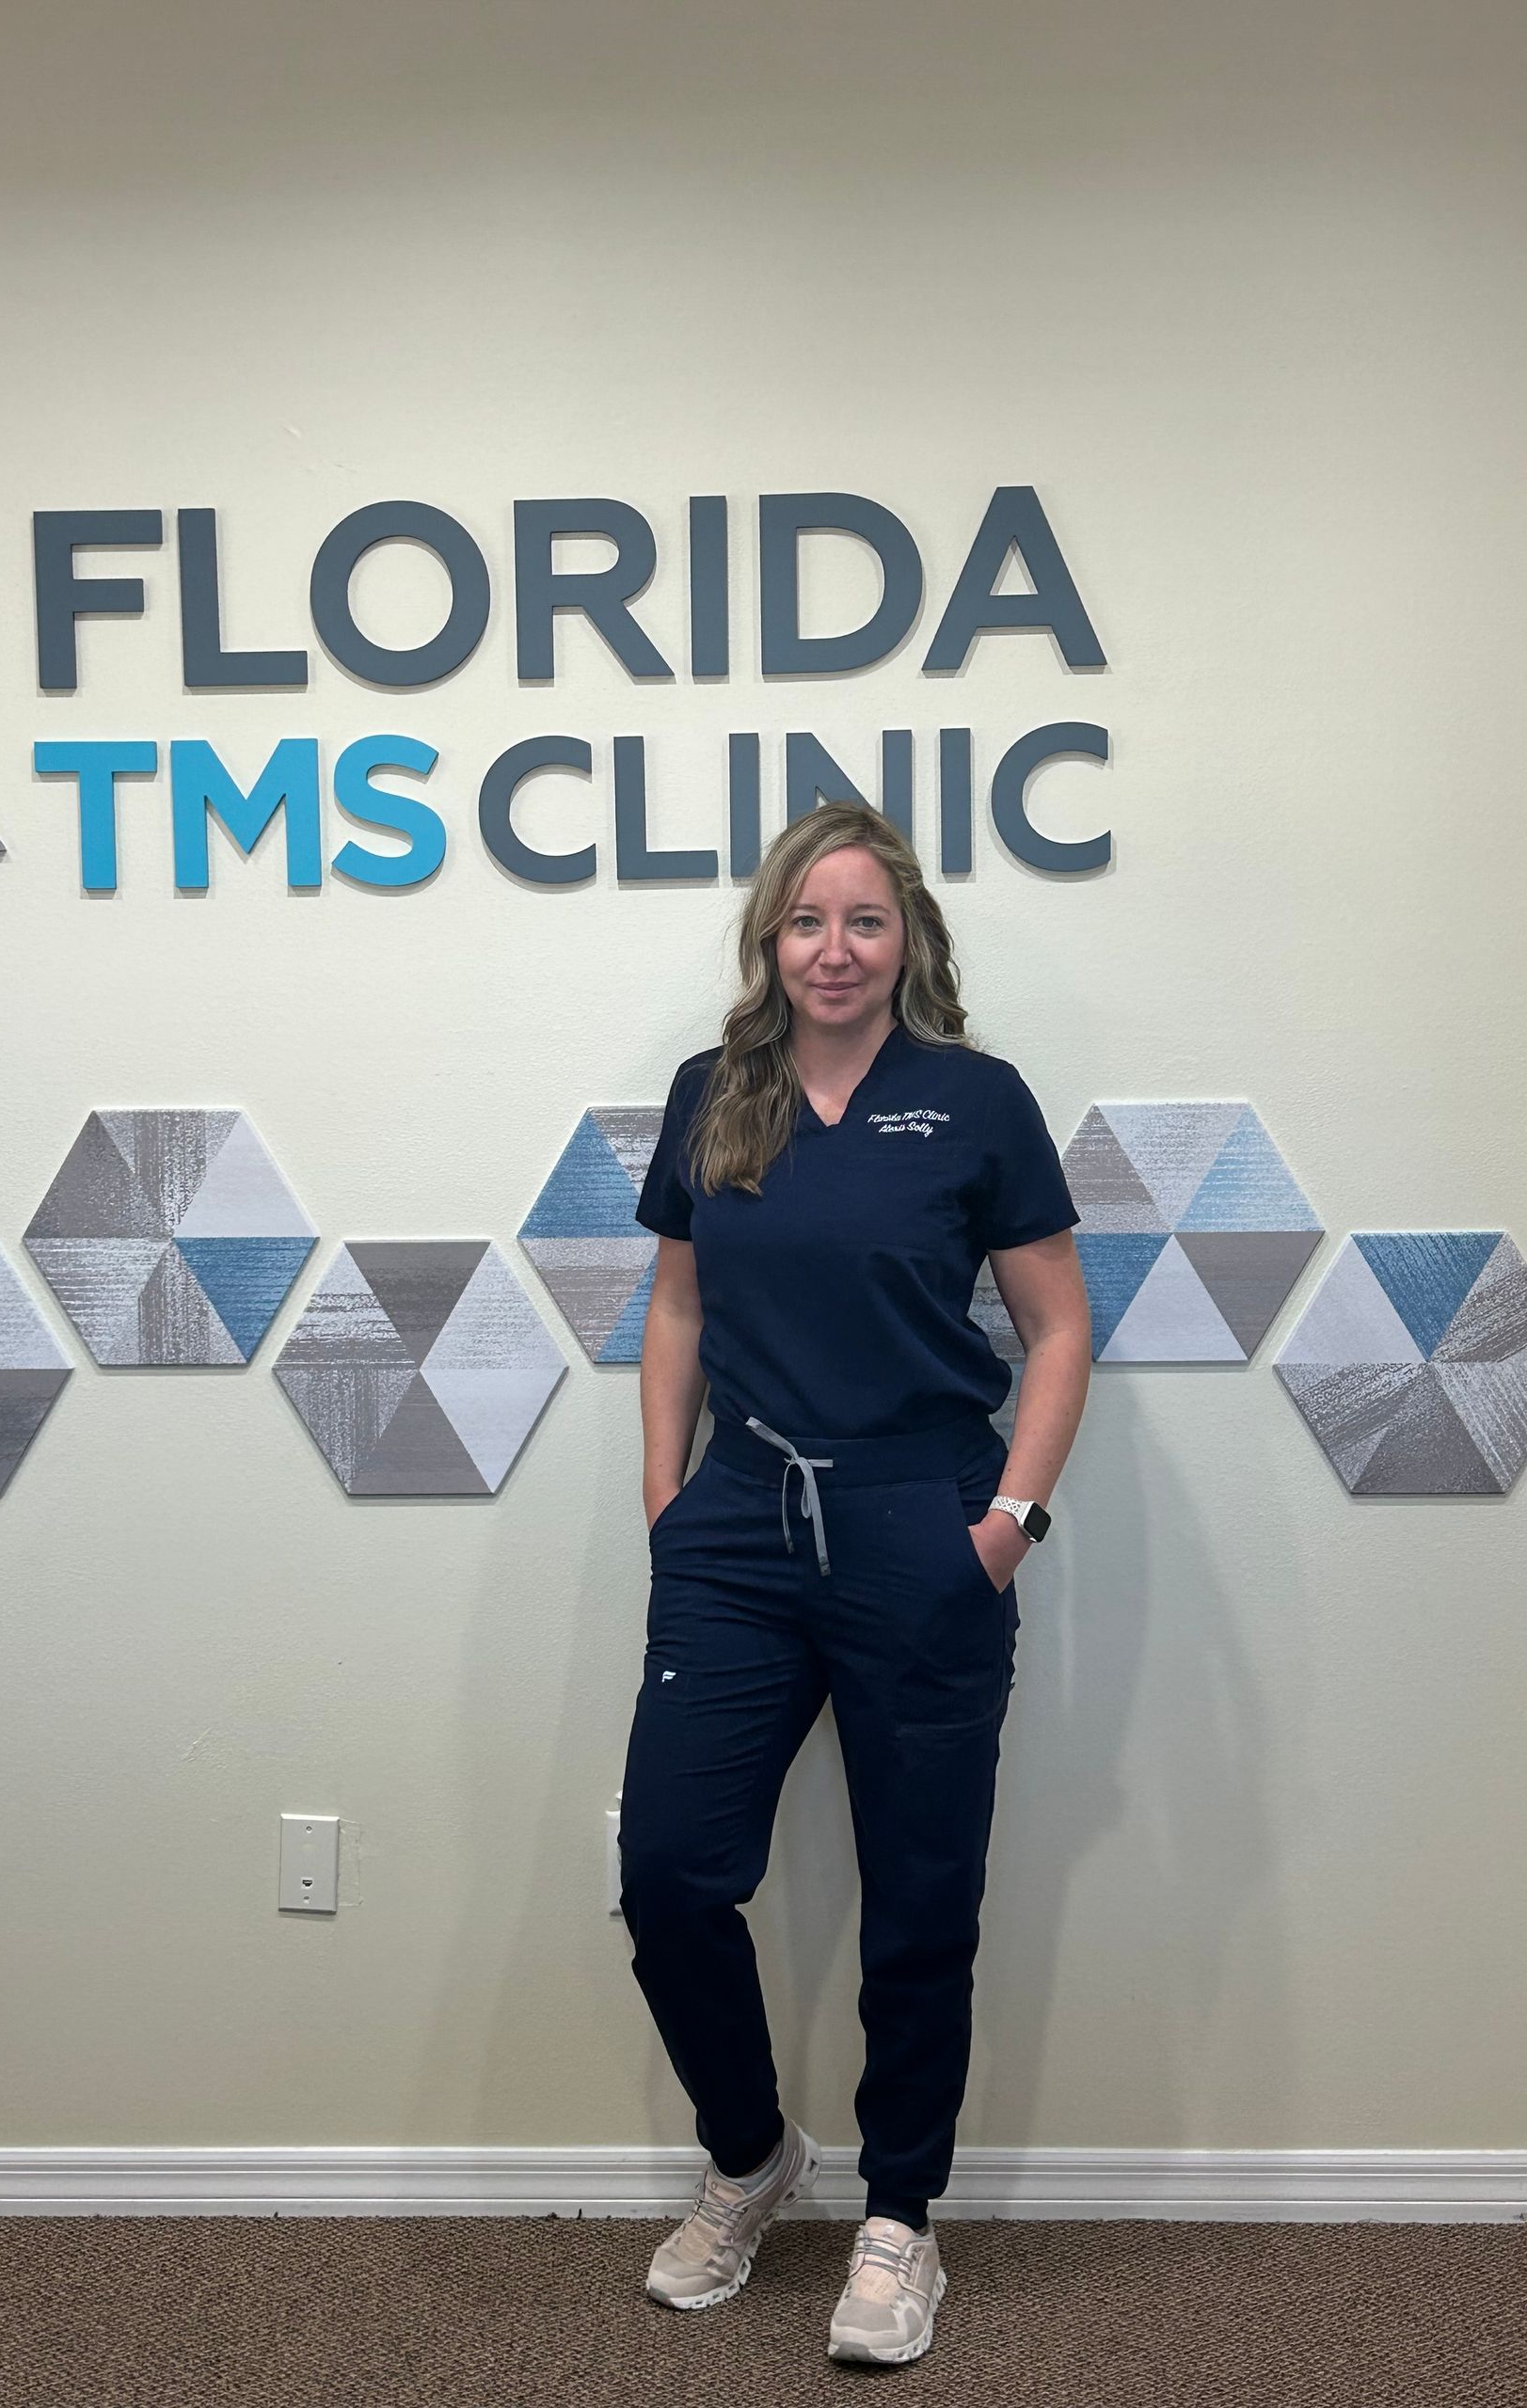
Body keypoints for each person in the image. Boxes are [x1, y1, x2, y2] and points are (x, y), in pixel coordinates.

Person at [617, 800, 1091, 2365]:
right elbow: (677, 1307)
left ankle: (900, 2221)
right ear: (770, 940)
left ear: (911, 943)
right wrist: (668, 1501)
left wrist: (1009, 1519)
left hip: (920, 1524)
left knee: (921, 1899)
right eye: (808, 922)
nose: (835, 948)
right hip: (740, 1529)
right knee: (673, 1875)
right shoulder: (714, 1096)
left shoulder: (973, 1102)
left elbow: (1059, 1327)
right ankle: (753, 2159)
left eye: (866, 921)